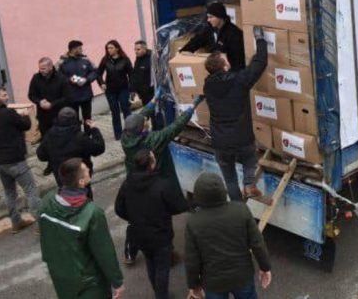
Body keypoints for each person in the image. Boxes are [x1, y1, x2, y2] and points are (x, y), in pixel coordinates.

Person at [120, 92, 201, 264]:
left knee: (137, 219)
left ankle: (130, 252)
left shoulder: (125, 138)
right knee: (161, 218)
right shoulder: (154, 140)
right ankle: (167, 255)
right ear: (143, 129)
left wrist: (154, 100)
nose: (147, 121)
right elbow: (175, 127)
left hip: (134, 182)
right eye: (145, 123)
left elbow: (140, 116)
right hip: (153, 184)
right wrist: (192, 107)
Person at [38, 158, 124, 299]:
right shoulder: (92, 213)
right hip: (88, 283)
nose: (89, 170)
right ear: (81, 182)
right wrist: (117, 281)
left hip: (61, 276)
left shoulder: (47, 202)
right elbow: (104, 251)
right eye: (86, 170)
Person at [203, 26, 267, 201]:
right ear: (225, 65)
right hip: (242, 138)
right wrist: (260, 40)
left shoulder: (207, 85)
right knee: (249, 159)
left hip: (220, 142)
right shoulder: (238, 81)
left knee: (230, 179)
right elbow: (259, 64)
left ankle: (238, 207)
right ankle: (248, 184)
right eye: (225, 59)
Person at [115, 149, 189, 299]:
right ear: (151, 165)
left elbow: (119, 208)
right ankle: (162, 296)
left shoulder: (127, 184)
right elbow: (177, 206)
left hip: (140, 235)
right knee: (162, 268)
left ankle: (159, 293)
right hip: (161, 235)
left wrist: (134, 218)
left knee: (150, 263)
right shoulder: (162, 185)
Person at [185, 172, 272, 299]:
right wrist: (265, 267)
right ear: (222, 190)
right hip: (242, 277)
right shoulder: (241, 210)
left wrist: (193, 285)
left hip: (213, 283)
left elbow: (192, 260)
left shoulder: (193, 223)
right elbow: (257, 243)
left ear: (198, 195)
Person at [0, 87, 41, 232]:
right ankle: (41, 224)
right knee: (31, 190)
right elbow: (26, 126)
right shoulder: (8, 113)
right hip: (15, 159)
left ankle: (16, 222)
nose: (7, 97)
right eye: (4, 95)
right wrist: (26, 115)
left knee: (9, 192)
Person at [37, 107, 105, 199]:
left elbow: (41, 155)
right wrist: (94, 130)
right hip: (81, 178)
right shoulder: (80, 137)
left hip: (61, 177)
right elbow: (99, 148)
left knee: (66, 200)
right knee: (85, 202)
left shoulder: (50, 134)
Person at [180, 1, 246, 71]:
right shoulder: (209, 30)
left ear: (220, 17)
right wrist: (185, 52)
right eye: (207, 17)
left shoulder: (234, 33)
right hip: (213, 70)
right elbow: (194, 42)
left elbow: (238, 61)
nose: (208, 20)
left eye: (211, 17)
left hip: (228, 73)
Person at [97, 40, 133, 140]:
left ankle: (130, 132)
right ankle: (118, 134)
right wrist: (102, 83)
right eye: (107, 48)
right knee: (115, 111)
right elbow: (98, 73)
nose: (109, 50)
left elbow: (131, 74)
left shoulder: (125, 59)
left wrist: (131, 89)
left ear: (117, 48)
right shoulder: (105, 60)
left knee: (126, 109)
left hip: (123, 89)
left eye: (111, 48)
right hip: (110, 90)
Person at [28, 57, 71, 138]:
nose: (41, 71)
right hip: (42, 116)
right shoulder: (36, 78)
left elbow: (67, 97)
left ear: (51, 67)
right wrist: (39, 102)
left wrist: (52, 104)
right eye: (40, 68)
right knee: (45, 139)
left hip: (58, 115)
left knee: (59, 139)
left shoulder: (61, 78)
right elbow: (31, 95)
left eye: (43, 68)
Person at [59, 40, 98, 128]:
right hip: (71, 96)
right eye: (79, 48)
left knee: (87, 118)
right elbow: (59, 76)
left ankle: (88, 136)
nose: (81, 50)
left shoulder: (85, 59)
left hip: (86, 94)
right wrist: (69, 80)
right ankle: (77, 137)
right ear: (73, 49)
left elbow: (95, 72)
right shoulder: (63, 62)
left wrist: (87, 79)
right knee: (74, 119)